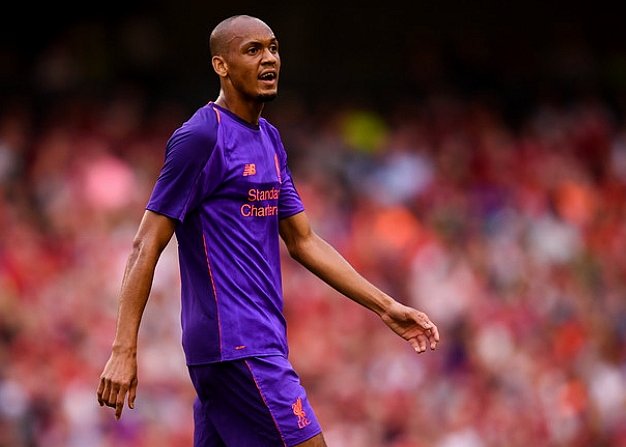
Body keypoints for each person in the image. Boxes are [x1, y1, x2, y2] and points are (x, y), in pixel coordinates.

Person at [96, 14, 440, 447]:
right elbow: (146, 241)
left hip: (248, 346)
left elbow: (304, 241)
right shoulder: (201, 137)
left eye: (274, 48)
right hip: (238, 347)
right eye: (253, 50)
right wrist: (124, 348)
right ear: (221, 66)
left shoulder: (270, 139)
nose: (269, 59)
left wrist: (385, 306)